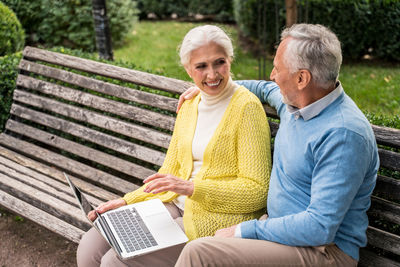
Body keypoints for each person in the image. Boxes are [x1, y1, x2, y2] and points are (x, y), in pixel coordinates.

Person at [175, 23, 379, 267]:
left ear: (301, 78)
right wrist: (210, 87)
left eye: (277, 68)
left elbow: (319, 227)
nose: (272, 75)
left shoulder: (343, 135)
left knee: (199, 253)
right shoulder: (295, 103)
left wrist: (245, 230)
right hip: (281, 234)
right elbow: (265, 87)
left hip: (323, 252)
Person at [76, 25, 271, 267]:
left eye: (219, 62)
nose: (212, 75)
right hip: (170, 206)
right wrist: (128, 201)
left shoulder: (246, 108)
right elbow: (170, 173)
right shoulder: (190, 104)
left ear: (230, 60)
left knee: (115, 261)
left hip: (213, 219)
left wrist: (192, 188)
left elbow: (257, 191)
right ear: (189, 70)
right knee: (90, 245)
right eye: (201, 66)